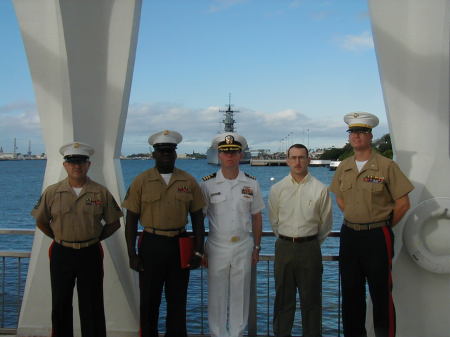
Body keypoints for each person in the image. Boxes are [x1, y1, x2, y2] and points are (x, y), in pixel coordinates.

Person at [329, 112, 414, 337]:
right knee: (350, 293)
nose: (356, 136)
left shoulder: (387, 166)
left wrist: (382, 224)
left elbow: (403, 203)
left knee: (381, 294)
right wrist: (356, 215)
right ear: (349, 137)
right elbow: (339, 198)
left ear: (370, 135)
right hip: (350, 236)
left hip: (377, 236)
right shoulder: (343, 167)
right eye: (352, 132)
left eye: (361, 132)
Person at [31, 141, 123, 337]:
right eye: (72, 162)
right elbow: (41, 221)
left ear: (88, 165)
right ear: (65, 165)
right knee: (61, 302)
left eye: (81, 162)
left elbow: (114, 222)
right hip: (62, 252)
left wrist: (96, 238)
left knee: (92, 303)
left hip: (90, 252)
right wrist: (58, 237)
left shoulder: (100, 192)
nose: (76, 166)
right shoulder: (52, 192)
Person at [122, 130, 205, 337]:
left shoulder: (188, 181)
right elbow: (131, 220)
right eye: (162, 151)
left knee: (177, 301)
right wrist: (131, 253)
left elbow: (197, 219)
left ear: (176, 154)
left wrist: (198, 250)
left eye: (170, 151)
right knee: (149, 301)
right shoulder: (141, 181)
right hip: (151, 243)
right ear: (154, 154)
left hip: (179, 245)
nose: (166, 154)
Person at [200, 132, 264, 337]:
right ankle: (217, 334)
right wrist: (200, 250)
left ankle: (237, 333)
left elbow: (256, 217)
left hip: (243, 246)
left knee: (240, 295)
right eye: (225, 152)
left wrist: (256, 247)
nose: (229, 156)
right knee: (216, 296)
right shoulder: (207, 184)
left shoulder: (251, 183)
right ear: (218, 155)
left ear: (240, 155)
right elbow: (199, 218)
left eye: (234, 152)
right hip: (216, 246)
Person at [268, 144, 332, 337]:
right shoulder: (277, 189)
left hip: (310, 249)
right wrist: (289, 239)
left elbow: (325, 224)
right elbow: (274, 221)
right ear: (287, 160)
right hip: (284, 247)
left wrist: (310, 242)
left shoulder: (320, 189)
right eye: (293, 157)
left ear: (308, 160)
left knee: (311, 302)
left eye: (301, 157)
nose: (297, 162)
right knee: (283, 300)